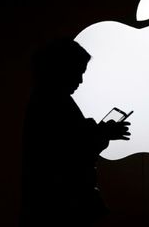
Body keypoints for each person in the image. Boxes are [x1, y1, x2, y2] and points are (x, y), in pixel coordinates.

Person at [19, 38, 131, 227]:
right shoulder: (53, 102)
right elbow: (71, 149)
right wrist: (103, 133)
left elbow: (70, 140)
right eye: (77, 72)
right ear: (61, 70)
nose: (80, 80)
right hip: (62, 206)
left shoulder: (46, 99)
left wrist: (100, 132)